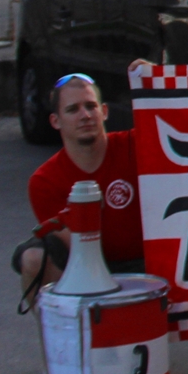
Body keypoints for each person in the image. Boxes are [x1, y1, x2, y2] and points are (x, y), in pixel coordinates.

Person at [15, 76, 143, 303]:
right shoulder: (44, 181)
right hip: (87, 265)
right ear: (56, 121)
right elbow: (76, 252)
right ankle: (61, 325)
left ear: (104, 112)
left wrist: (151, 79)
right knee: (34, 258)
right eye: (73, 109)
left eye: (91, 106)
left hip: (147, 260)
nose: (85, 115)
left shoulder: (136, 145)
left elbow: (177, 119)